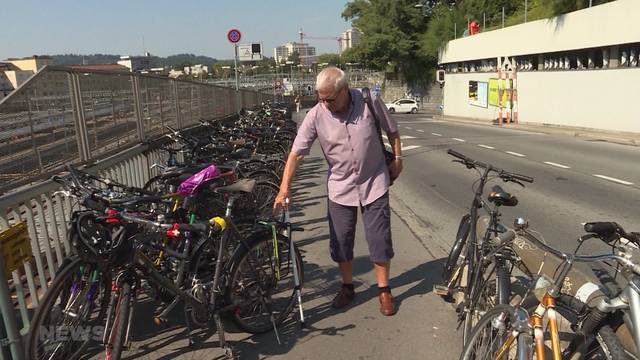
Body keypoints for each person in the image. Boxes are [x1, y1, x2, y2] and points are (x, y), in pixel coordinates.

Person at [273, 67, 403, 316]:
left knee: (379, 239)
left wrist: (397, 158)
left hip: (374, 181)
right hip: (340, 187)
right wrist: (283, 188)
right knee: (341, 242)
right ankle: (347, 286)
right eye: (321, 98)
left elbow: (393, 131)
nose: (325, 103)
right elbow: (296, 153)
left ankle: (384, 289)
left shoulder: (369, 102)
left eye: (330, 98)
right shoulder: (316, 115)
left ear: (345, 91)